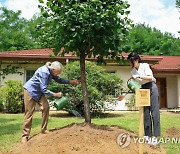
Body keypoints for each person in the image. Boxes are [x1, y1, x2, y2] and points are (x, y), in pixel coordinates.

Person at [22, 61, 80, 143]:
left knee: (46, 107)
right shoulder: (44, 72)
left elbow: (59, 80)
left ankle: (44, 129)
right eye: (58, 72)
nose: (59, 73)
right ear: (53, 69)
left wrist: (71, 81)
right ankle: (25, 136)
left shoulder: (52, 71)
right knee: (29, 113)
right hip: (30, 91)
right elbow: (44, 89)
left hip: (39, 92)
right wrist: (55, 94)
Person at [118, 52, 160, 146]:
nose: (130, 64)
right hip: (143, 89)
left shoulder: (145, 66)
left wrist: (139, 76)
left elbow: (150, 77)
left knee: (154, 113)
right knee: (145, 113)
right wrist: (123, 95)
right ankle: (148, 135)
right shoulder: (133, 71)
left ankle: (155, 137)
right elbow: (131, 84)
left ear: (136, 60)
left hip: (152, 87)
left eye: (131, 62)